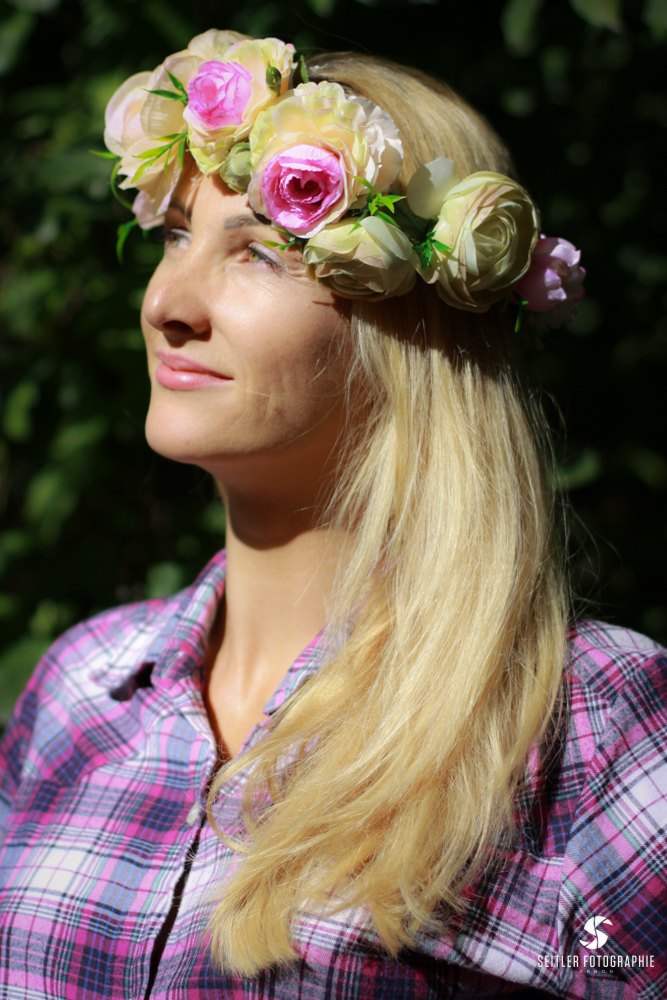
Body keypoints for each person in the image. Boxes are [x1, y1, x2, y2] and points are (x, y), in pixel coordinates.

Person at [0, 28, 665, 1000]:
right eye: (176, 235)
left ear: (408, 324)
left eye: (261, 252)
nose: (168, 304)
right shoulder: (78, 691)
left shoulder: (581, 725)